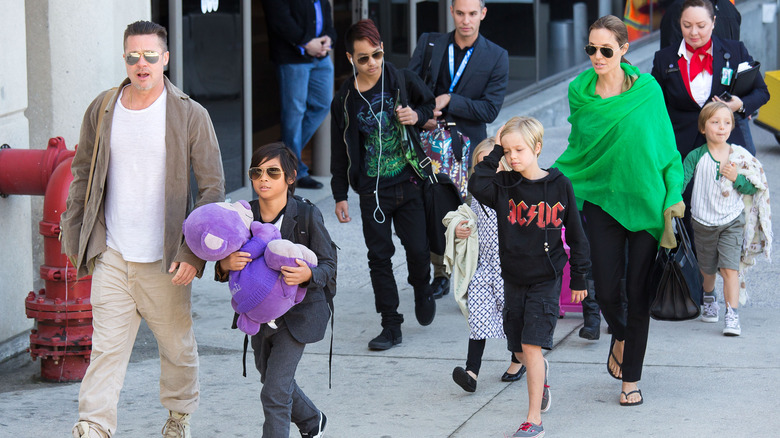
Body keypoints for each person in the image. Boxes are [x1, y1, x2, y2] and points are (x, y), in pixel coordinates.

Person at [60, 21, 225, 438]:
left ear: (165, 59)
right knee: (106, 349)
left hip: (166, 258)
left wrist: (192, 254)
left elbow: (212, 190)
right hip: (113, 254)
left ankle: (178, 416)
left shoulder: (190, 114)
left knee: (177, 349)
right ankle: (93, 425)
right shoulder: (103, 107)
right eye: (133, 56)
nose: (142, 64)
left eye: (150, 55)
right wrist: (73, 233)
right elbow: (83, 174)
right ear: (124, 58)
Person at [554, 15, 684, 407]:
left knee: (637, 293)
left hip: (645, 202)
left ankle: (631, 381)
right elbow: (579, 153)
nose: (597, 57)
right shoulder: (580, 93)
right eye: (591, 49)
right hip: (601, 201)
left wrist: (672, 194)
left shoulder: (647, 90)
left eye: (606, 50)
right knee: (608, 291)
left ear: (625, 50)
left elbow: (665, 147)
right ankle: (622, 336)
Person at [469, 117, 590, 438]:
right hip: (514, 278)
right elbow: (476, 183)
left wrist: (579, 278)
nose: (513, 157)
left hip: (545, 278)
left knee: (530, 346)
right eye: (508, 151)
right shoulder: (504, 185)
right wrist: (496, 148)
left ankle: (533, 419)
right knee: (518, 347)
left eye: (519, 149)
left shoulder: (559, 184)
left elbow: (577, 236)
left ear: (537, 147)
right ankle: (540, 373)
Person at [215, 142, 336, 437]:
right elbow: (221, 266)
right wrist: (224, 264)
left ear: (290, 178)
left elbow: (329, 265)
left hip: (299, 316)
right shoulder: (244, 216)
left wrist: (309, 274)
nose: (263, 179)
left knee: (274, 393)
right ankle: (311, 421)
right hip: (259, 316)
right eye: (257, 172)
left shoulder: (306, 216)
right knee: (269, 379)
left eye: (273, 172)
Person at [330, 19, 437, 351]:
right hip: (372, 192)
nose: (371, 63)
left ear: (382, 51)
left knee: (419, 251)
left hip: (408, 182)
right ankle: (391, 324)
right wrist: (339, 194)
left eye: (375, 55)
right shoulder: (345, 99)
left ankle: (422, 286)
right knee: (379, 257)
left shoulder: (400, 79)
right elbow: (339, 148)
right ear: (350, 58)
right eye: (363, 58)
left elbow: (429, 105)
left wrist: (416, 117)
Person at [408, 0, 509, 299]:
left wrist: (451, 99)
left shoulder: (497, 56)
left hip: (467, 146)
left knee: (466, 211)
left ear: (483, 14)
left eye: (473, 14)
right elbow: (410, 87)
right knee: (432, 207)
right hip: (427, 140)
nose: (466, 20)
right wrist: (422, 114)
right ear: (451, 12)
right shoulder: (430, 43)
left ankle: (469, 271)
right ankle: (440, 272)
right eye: (461, 13)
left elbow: (490, 110)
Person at [449, 137, 524, 394]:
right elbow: (461, 216)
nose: (488, 169)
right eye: (482, 164)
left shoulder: (512, 192)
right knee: (477, 318)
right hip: (484, 269)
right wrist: (458, 228)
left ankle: (518, 359)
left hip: (509, 271)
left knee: (512, 319)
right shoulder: (477, 198)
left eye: (493, 162)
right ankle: (471, 372)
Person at [652, 0, 768, 159]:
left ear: (713, 22)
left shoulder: (735, 50)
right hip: (680, 151)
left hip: (727, 150)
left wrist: (740, 105)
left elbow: (762, 92)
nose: (693, 33)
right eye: (687, 25)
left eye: (701, 26)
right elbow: (655, 104)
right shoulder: (664, 58)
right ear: (679, 22)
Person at [682, 102, 758, 336]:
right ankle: (708, 297)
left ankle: (732, 314)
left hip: (731, 220)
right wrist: (672, 201)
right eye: (714, 122)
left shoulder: (738, 156)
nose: (721, 127)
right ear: (703, 128)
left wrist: (736, 178)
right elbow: (681, 183)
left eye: (726, 122)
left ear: (733, 127)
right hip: (703, 220)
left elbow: (752, 188)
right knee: (707, 269)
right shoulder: (696, 156)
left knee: (729, 269)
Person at [261, 0, 336, 189]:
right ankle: (295, 171)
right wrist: (305, 42)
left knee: (322, 104)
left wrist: (329, 39)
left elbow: (327, 21)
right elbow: (279, 19)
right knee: (295, 112)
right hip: (292, 58)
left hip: (321, 58)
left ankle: (282, 152)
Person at [660, 0, 740, 50]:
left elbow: (667, 66)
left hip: (695, 73)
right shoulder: (729, 7)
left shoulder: (680, 8)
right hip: (726, 73)